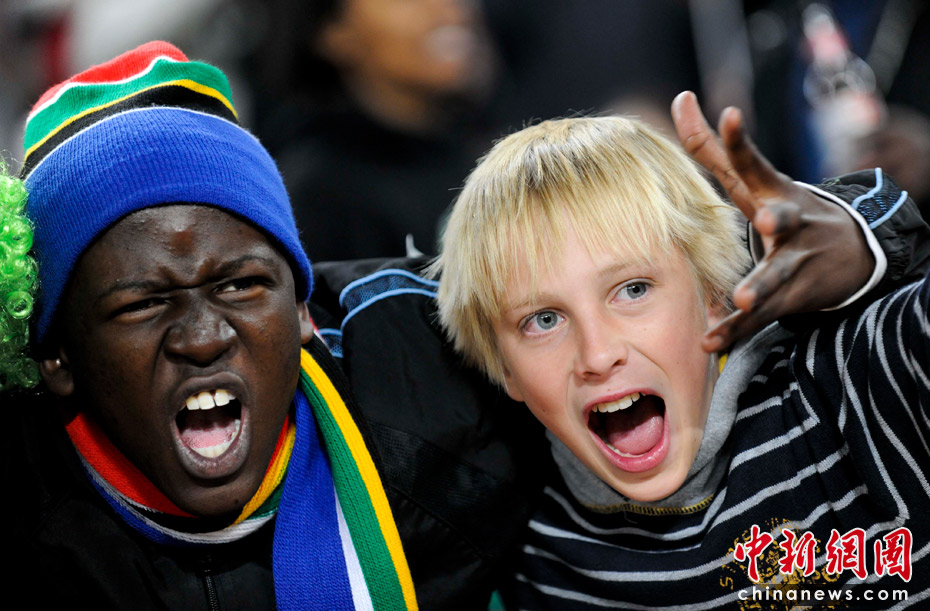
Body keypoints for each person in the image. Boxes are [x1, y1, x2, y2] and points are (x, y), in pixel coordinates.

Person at [431, 92, 930, 608]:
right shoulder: (515, 545)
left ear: (712, 296)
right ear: (505, 369)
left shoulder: (848, 385)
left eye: (633, 290)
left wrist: (866, 244)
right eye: (543, 320)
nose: (597, 356)